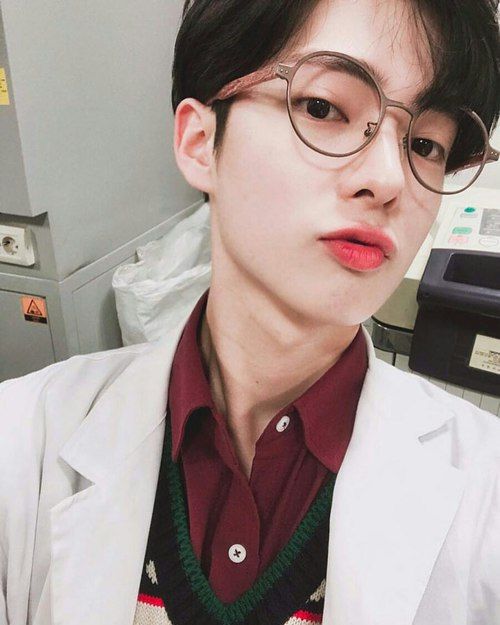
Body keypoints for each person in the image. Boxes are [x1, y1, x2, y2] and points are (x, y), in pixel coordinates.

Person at [1, 0, 500, 623]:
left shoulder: (485, 499)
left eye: (425, 144)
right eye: (324, 108)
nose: (389, 179)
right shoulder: (21, 440)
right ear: (200, 142)